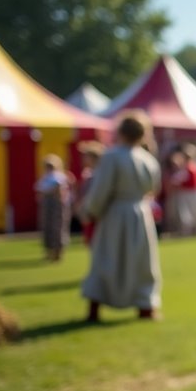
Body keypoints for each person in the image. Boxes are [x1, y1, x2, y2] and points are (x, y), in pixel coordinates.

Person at [80, 111, 162, 322]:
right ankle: (145, 307)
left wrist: (91, 211)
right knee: (141, 262)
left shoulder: (111, 157)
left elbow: (101, 189)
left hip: (115, 214)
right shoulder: (147, 159)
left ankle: (94, 308)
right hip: (140, 214)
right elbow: (154, 187)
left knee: (106, 258)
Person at [34, 154, 71, 261]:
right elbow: (39, 190)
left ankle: (58, 252)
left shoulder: (59, 176)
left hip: (56, 205)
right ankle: (49, 251)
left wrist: (47, 192)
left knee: (57, 228)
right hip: (47, 205)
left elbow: (58, 188)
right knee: (47, 228)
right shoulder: (45, 177)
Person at [75, 140, 104, 245]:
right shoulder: (89, 174)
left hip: (95, 216)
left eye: (86, 156)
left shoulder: (99, 175)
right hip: (89, 215)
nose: (83, 159)